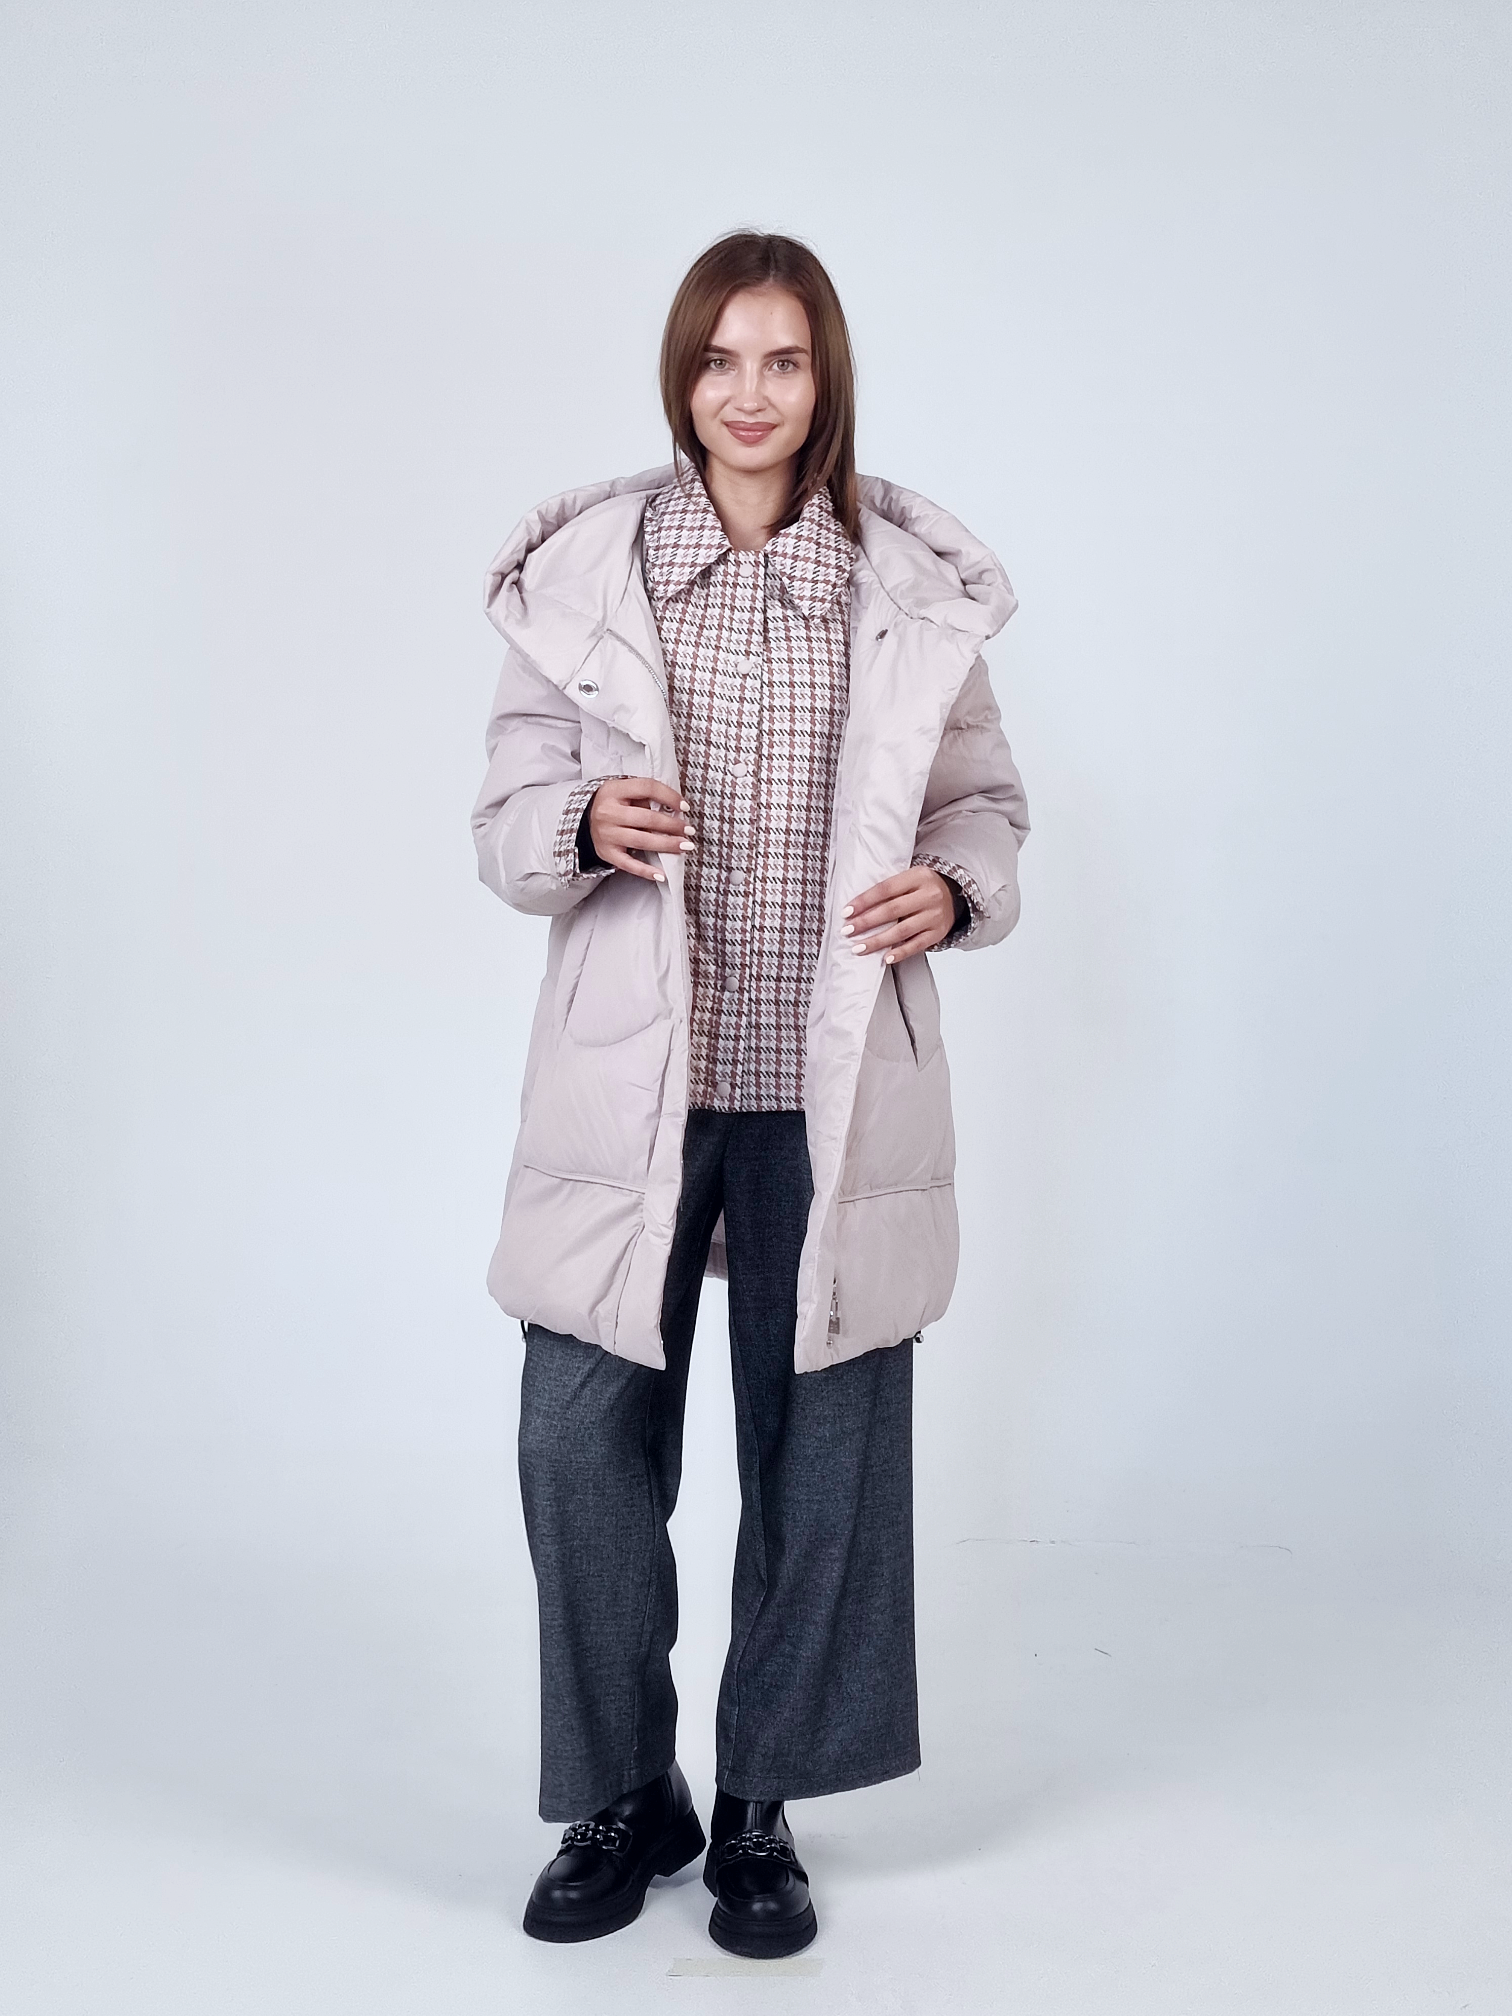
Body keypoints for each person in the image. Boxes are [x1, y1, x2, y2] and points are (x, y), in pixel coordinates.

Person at [472, 231, 1029, 1960]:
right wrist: (581, 824)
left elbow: (987, 807)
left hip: (830, 1092)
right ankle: (622, 1794)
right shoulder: (588, 579)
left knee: (823, 1459)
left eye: (783, 360)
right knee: (578, 1442)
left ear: (824, 376)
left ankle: (760, 1804)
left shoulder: (904, 590)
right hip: (635, 1084)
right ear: (683, 373)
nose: (750, 392)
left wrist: (956, 890)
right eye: (721, 359)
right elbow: (503, 826)